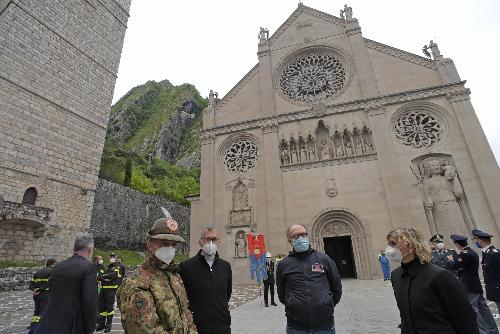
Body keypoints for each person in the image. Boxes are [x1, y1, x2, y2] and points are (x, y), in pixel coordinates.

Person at [387, 228, 478, 334]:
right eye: (389, 244)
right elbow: (405, 314)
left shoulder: (438, 275)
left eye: (393, 243)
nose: (389, 248)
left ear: (411, 245)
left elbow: (464, 317)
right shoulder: (396, 276)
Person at [117, 213, 197, 333]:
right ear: (150, 245)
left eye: (173, 245)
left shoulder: (175, 277)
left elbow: (185, 313)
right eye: (164, 243)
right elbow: (143, 329)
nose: (170, 248)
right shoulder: (137, 283)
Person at [276, 224, 342, 334]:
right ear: (290, 241)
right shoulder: (284, 265)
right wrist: (292, 304)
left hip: (324, 324)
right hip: (296, 326)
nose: (301, 238)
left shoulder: (324, 259)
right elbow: (282, 294)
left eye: (303, 235)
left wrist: (328, 303)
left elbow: (336, 285)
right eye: (296, 236)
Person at [35, 235, 98, 334]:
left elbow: (52, 289)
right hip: (73, 322)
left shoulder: (59, 266)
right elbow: (89, 299)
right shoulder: (89, 267)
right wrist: (91, 327)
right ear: (90, 250)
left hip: (51, 318)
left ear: (74, 248)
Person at [180, 226, 232, 334]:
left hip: (222, 326)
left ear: (218, 242)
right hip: (197, 327)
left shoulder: (225, 266)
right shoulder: (186, 267)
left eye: (214, 239)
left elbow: (227, 293)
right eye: (207, 239)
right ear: (200, 242)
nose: (211, 242)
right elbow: (183, 297)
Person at [447, 234, 499, 334]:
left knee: (474, 311)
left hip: (469, 286)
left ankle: (484, 332)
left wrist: (450, 261)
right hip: (476, 285)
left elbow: (454, 266)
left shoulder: (465, 254)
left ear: (457, 244)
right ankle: (493, 330)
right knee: (483, 309)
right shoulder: (471, 252)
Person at [472, 228, 500, 313]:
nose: (475, 242)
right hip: (496, 291)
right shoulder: (487, 253)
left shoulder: (493, 254)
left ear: (480, 240)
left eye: (475, 240)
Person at [28, 258, 55, 334]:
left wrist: (34, 290)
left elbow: (31, 283)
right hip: (45, 294)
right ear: (53, 264)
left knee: (36, 311)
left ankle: (32, 327)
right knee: (42, 312)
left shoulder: (38, 271)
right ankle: (36, 330)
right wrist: (39, 290)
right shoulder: (52, 272)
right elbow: (49, 284)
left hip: (36, 295)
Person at [96, 252, 122, 332]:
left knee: (109, 307)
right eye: (111, 256)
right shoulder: (107, 267)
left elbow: (113, 275)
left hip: (111, 290)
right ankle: (102, 324)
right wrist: (106, 277)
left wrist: (104, 276)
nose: (112, 258)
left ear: (116, 257)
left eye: (113, 256)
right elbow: (100, 275)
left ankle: (108, 324)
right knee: (101, 307)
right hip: (103, 289)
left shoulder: (118, 267)